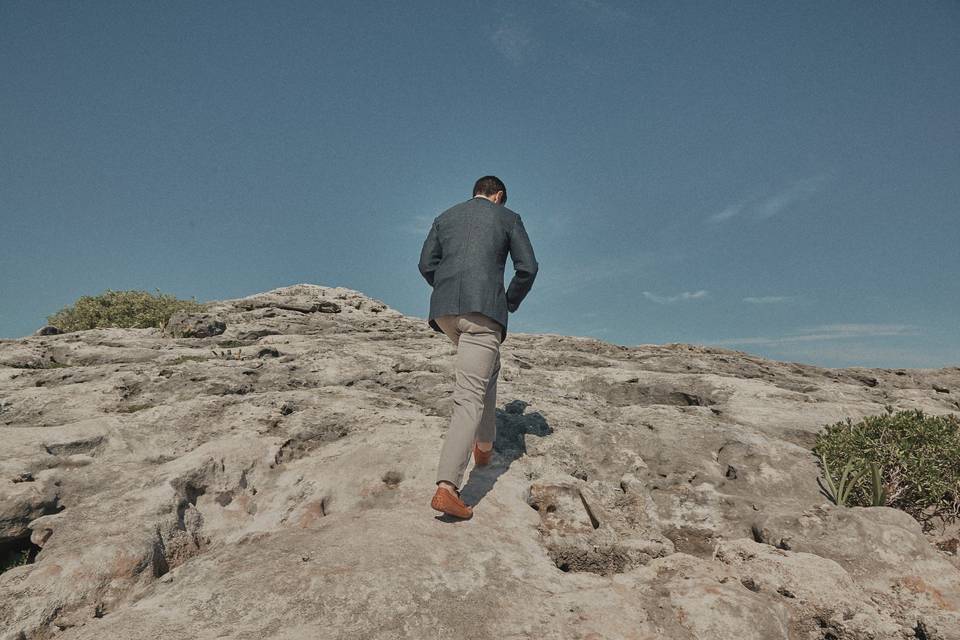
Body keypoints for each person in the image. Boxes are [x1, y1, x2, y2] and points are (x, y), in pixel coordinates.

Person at [418, 175, 539, 519]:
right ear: (498, 196)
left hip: (445, 313)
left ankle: (484, 445)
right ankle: (447, 487)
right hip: (482, 312)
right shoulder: (508, 218)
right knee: (469, 396)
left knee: (488, 368)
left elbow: (426, 264)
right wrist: (506, 301)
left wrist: (446, 287)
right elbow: (527, 268)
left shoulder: (445, 217)